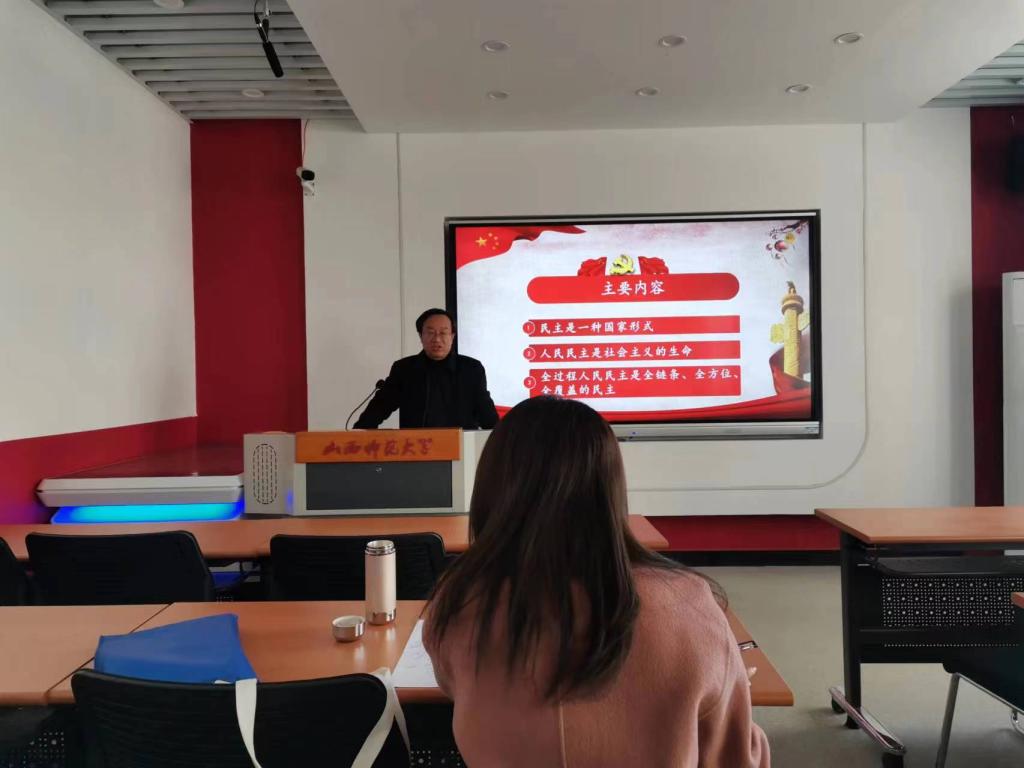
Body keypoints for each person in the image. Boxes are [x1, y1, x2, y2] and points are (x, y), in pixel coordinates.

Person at [424, 397, 769, 767]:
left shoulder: (459, 603)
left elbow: (455, 686)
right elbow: (737, 757)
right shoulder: (689, 606)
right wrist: (733, 688)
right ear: (610, 489)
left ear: (492, 490)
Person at [353, 308, 499, 429]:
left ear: (452, 336)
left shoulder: (471, 369)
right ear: (421, 336)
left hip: (461, 451)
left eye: (443, 333)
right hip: (417, 450)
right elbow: (380, 407)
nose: (437, 339)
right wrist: (357, 434)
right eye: (430, 333)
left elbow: (487, 416)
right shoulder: (404, 369)